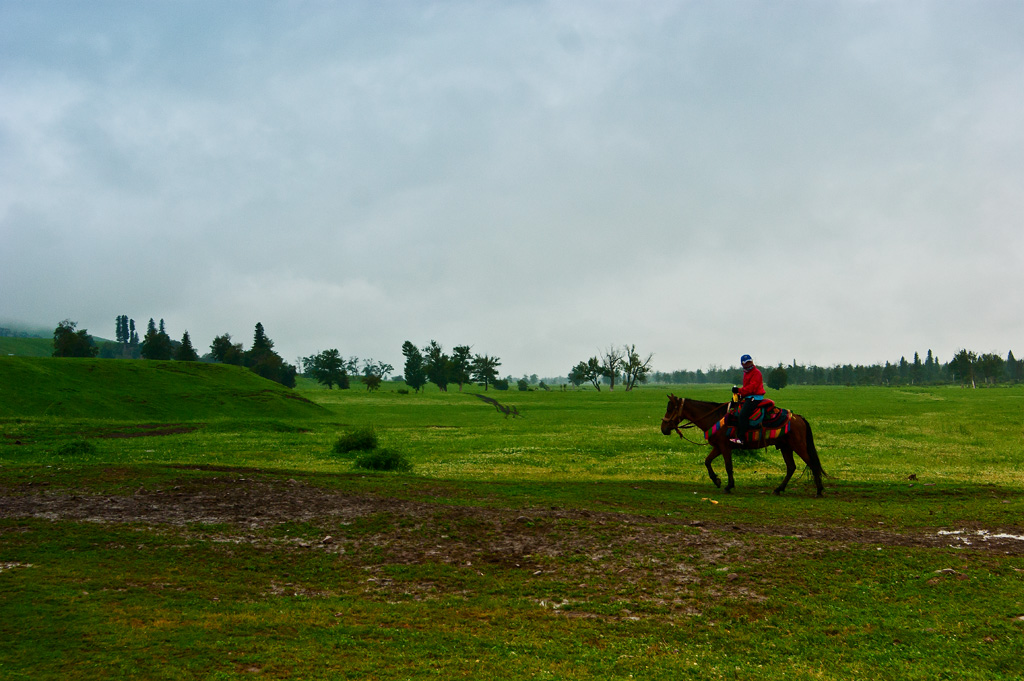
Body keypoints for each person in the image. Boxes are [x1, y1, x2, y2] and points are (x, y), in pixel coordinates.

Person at [733, 354, 765, 444]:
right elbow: (746, 388)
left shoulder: (756, 373)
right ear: (742, 364)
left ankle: (741, 438)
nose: (748, 364)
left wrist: (739, 390)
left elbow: (752, 388)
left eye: (749, 362)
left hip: (755, 397)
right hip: (749, 396)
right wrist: (738, 394)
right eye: (746, 363)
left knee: (743, 414)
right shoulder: (746, 373)